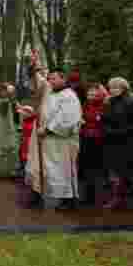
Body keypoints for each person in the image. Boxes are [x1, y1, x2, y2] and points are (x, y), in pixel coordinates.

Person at [24, 68, 82, 209]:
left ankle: (68, 200)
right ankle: (37, 194)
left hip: (59, 141)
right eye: (49, 79)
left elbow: (68, 118)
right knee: (38, 167)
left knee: (61, 170)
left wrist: (49, 129)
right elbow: (38, 86)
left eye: (54, 78)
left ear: (63, 79)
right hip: (43, 139)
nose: (51, 81)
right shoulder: (49, 93)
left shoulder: (69, 96)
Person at [101, 77, 133, 209]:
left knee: (124, 171)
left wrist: (118, 131)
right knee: (115, 171)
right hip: (112, 141)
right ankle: (118, 198)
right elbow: (106, 119)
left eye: (115, 87)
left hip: (128, 141)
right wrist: (107, 128)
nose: (112, 90)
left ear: (124, 88)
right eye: (111, 88)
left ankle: (120, 198)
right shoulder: (110, 102)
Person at [16, 51, 49, 180]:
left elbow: (41, 105)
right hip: (30, 124)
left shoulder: (44, 85)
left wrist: (35, 63)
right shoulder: (32, 85)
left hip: (39, 122)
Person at [79, 83, 108, 205]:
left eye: (93, 93)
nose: (90, 95)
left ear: (99, 94)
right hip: (86, 138)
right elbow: (83, 118)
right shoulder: (86, 105)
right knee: (87, 168)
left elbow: (103, 120)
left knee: (98, 169)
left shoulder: (105, 106)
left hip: (99, 139)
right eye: (89, 93)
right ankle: (88, 196)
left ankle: (100, 196)